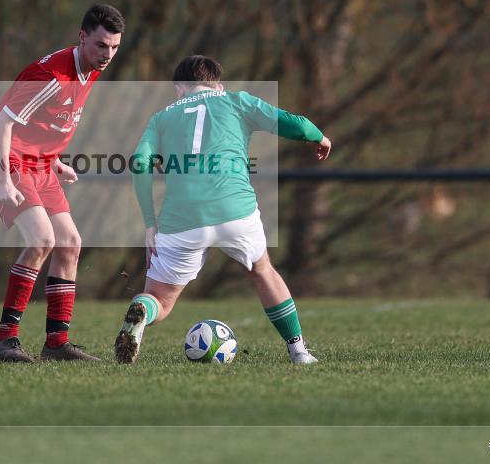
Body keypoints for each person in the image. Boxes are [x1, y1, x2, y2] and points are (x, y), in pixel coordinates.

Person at [115, 55, 331, 365]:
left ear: (179, 89)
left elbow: (139, 163)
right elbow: (296, 124)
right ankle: (299, 351)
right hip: (235, 210)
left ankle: (141, 315)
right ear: (218, 84)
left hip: (181, 219)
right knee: (262, 270)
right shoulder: (236, 101)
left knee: (160, 300)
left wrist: (150, 223)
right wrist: (319, 137)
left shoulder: (161, 117)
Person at [0, 4, 125, 363]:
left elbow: (44, 120)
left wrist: (54, 159)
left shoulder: (90, 71)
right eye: (101, 45)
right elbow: (3, 125)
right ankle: (5, 339)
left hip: (40, 164)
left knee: (70, 242)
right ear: (82, 37)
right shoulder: (51, 75)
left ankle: (57, 342)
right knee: (42, 238)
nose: (107, 55)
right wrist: (2, 181)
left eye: (115, 47)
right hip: (9, 160)